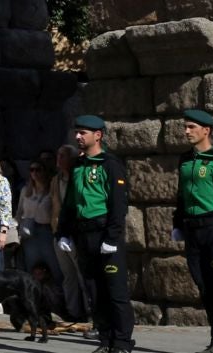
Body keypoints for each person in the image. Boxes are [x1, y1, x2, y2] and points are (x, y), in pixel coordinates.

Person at [61, 114, 133, 353]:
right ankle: (105, 340)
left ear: (98, 135)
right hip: (84, 235)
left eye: (83, 133)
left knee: (115, 291)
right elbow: (70, 203)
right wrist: (62, 232)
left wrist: (112, 238)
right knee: (94, 291)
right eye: (77, 132)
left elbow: (118, 205)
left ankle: (122, 342)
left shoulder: (110, 165)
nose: (78, 136)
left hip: (104, 234)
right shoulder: (78, 165)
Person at [178, 109, 213, 352]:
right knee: (205, 288)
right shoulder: (185, 159)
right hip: (193, 230)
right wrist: (177, 224)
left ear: (206, 130)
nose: (186, 131)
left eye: (191, 127)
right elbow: (180, 194)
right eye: (185, 127)